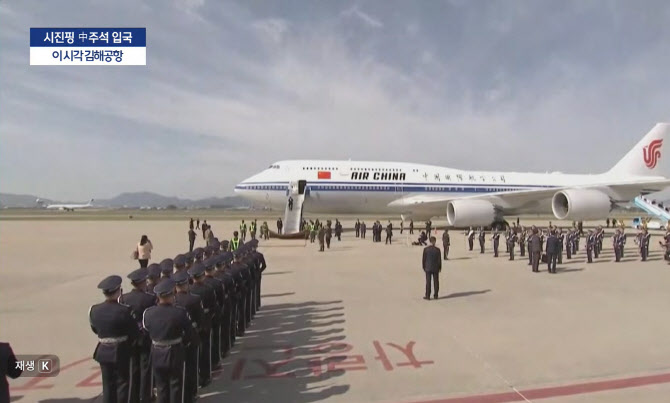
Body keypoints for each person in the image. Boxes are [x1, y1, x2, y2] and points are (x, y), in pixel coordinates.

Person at [143, 279, 197, 403]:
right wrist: (186, 344)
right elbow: (189, 333)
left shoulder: (148, 313)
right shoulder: (180, 312)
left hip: (156, 352)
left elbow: (146, 332)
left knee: (161, 386)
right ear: (172, 294)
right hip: (175, 352)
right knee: (176, 386)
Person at [89, 275, 139, 403]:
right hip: (121, 350)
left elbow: (95, 329)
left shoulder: (94, 310)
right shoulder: (125, 310)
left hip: (103, 351)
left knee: (107, 385)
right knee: (123, 384)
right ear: (118, 291)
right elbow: (134, 332)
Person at [120, 268, 157, 403]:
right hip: (145, 337)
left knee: (133, 368)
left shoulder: (124, 298)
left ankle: (133, 397)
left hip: (130, 338)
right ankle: (146, 396)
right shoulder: (150, 298)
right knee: (146, 368)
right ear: (142, 283)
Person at [173, 270, 204, 403]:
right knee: (191, 367)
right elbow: (200, 320)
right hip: (190, 337)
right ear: (186, 284)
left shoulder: (173, 301)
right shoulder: (194, 299)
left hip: (175, 340)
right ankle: (191, 393)